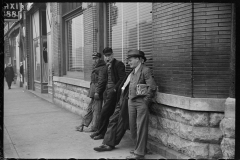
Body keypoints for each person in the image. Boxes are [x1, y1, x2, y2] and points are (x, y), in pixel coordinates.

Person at [125, 49, 157, 159]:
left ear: (139, 59)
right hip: (131, 102)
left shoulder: (145, 70)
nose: (129, 62)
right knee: (132, 126)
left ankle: (139, 154)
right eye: (128, 60)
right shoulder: (133, 72)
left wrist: (146, 101)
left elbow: (152, 87)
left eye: (131, 60)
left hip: (140, 103)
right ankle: (140, 148)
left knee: (141, 127)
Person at [90, 47, 126, 140]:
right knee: (107, 113)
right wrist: (100, 92)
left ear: (112, 55)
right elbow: (103, 81)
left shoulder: (118, 64)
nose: (107, 58)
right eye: (106, 56)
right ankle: (101, 132)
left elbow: (123, 78)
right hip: (107, 93)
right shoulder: (106, 66)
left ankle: (101, 133)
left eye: (109, 55)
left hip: (114, 94)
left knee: (104, 112)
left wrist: (114, 89)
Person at [75, 52, 106, 132]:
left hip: (98, 92)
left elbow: (101, 81)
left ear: (100, 58)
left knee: (96, 110)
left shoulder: (102, 68)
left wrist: (97, 92)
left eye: (96, 58)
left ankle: (95, 127)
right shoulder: (96, 67)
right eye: (93, 58)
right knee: (90, 108)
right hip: (93, 91)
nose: (94, 60)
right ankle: (83, 124)